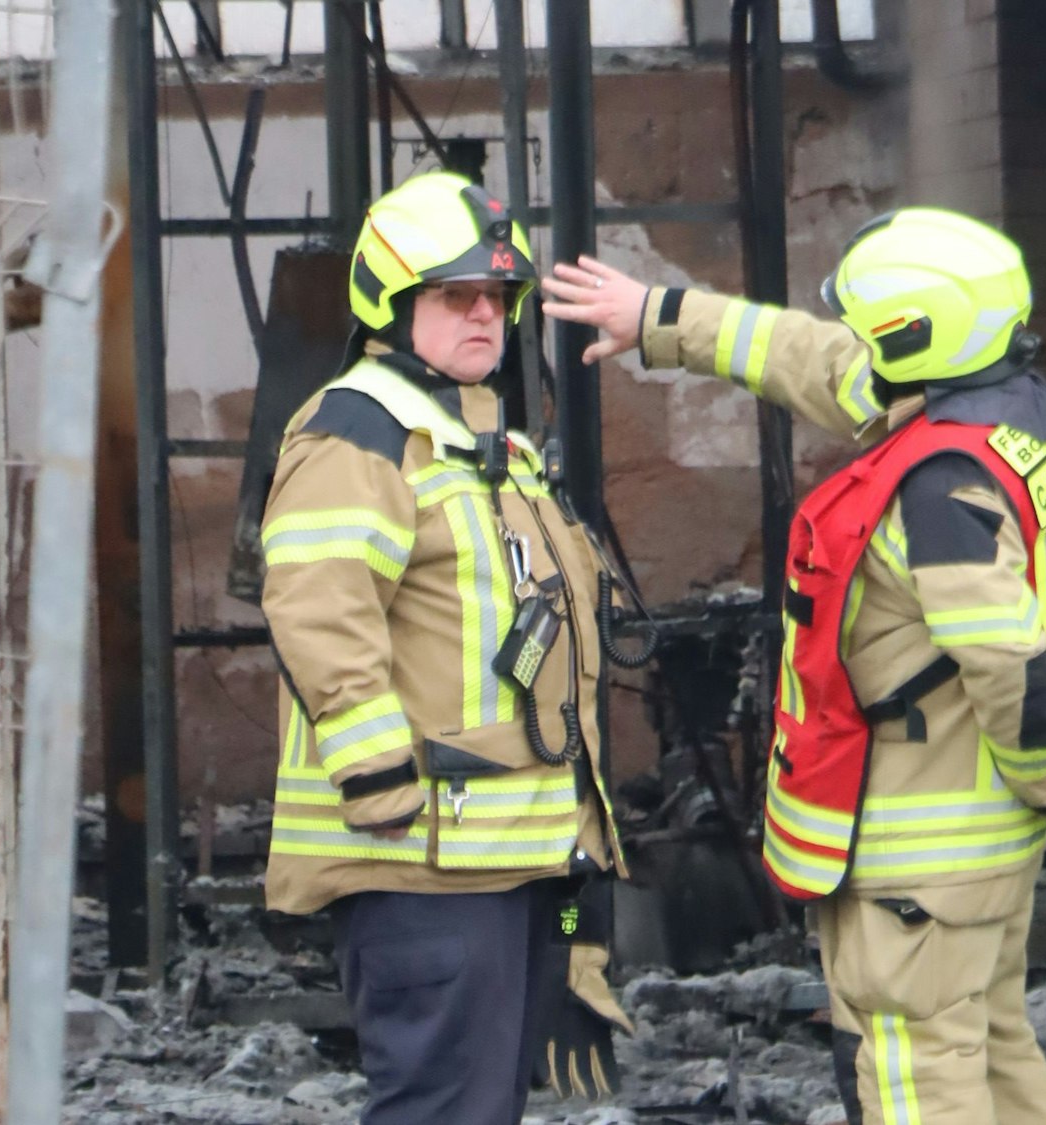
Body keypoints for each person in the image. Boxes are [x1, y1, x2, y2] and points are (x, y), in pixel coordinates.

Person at [542, 207, 1046, 1125]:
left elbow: (1007, 660)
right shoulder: (1007, 414)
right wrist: (658, 317)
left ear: (913, 337)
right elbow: (812, 358)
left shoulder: (941, 491)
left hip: (918, 863)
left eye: (871, 327)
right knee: (996, 1054)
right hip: (982, 849)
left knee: (916, 1077)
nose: (854, 343)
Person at [259, 170, 630, 1122]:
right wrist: (377, 774)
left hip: (501, 857)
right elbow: (319, 604)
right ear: (391, 301)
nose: (484, 317)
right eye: (454, 296)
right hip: (418, 857)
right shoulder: (362, 433)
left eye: (498, 299)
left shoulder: (482, 441)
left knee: (480, 1107)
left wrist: (579, 854)